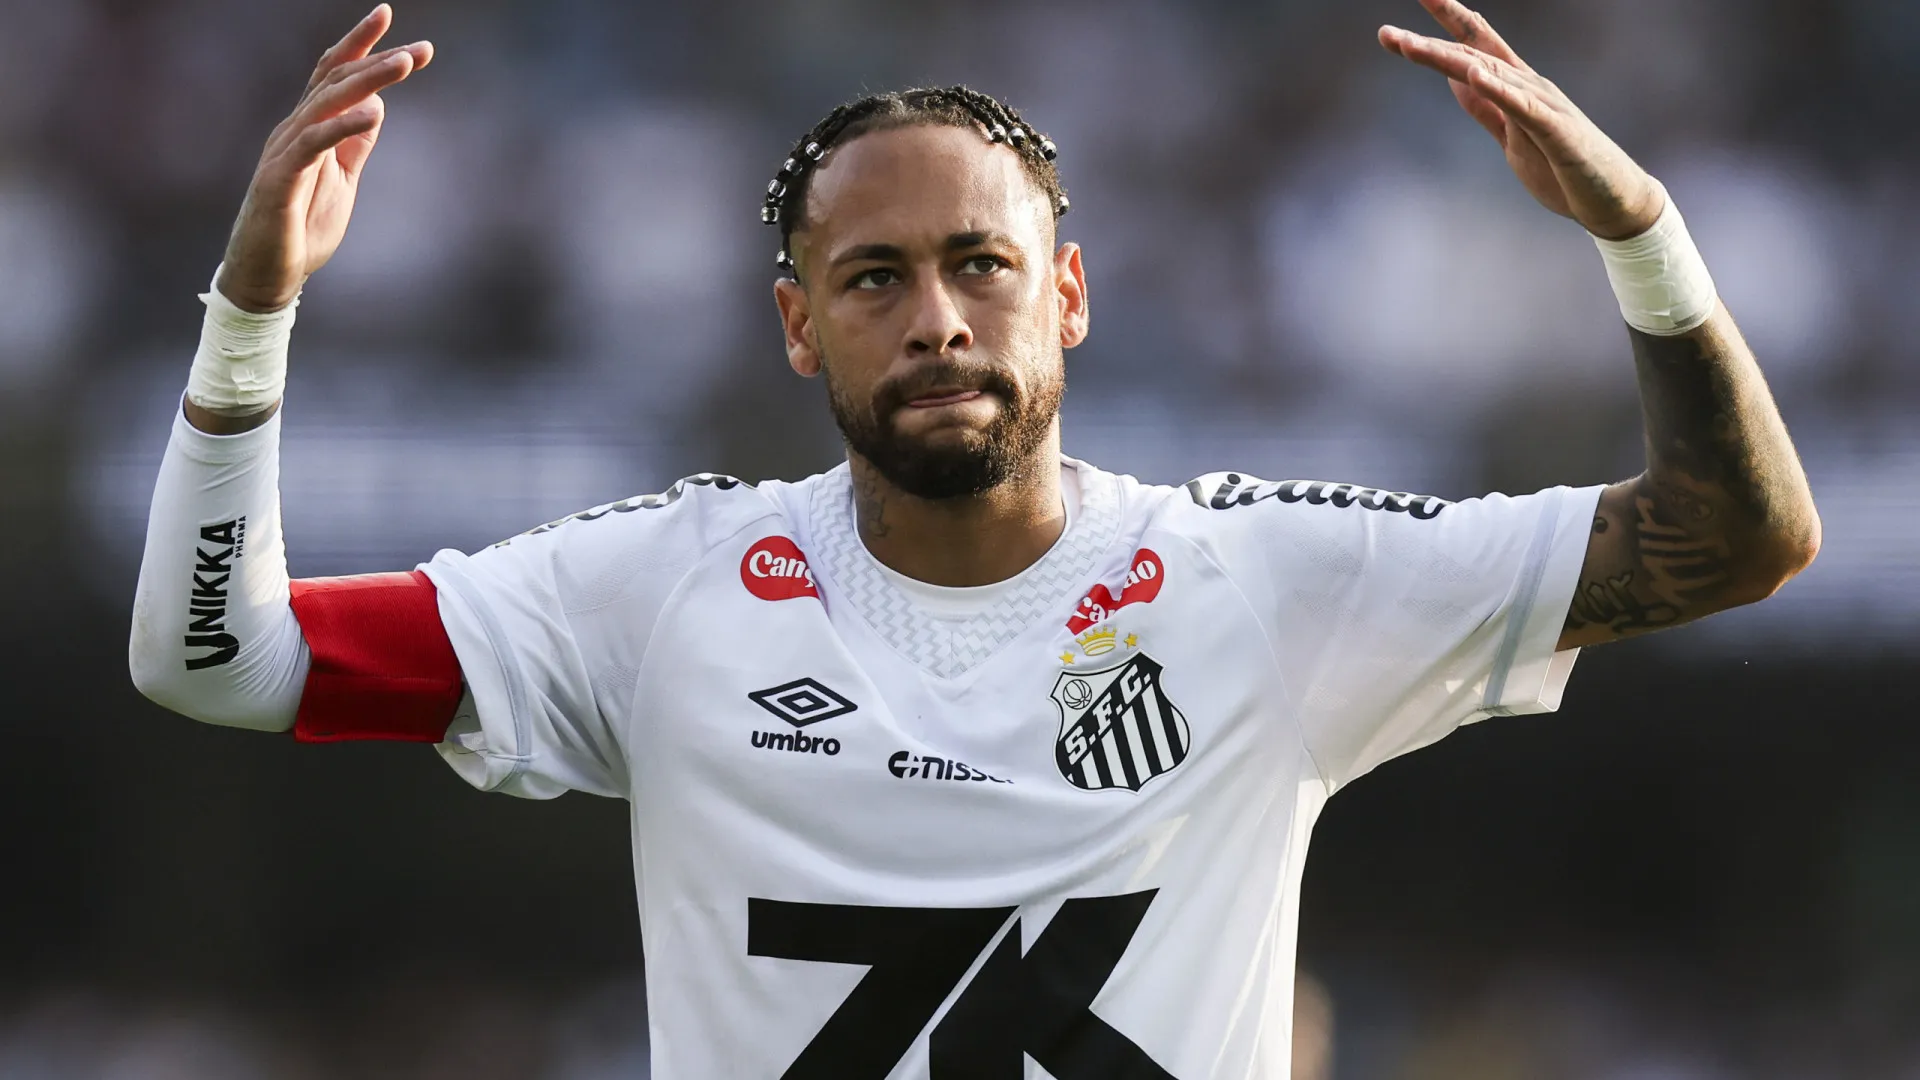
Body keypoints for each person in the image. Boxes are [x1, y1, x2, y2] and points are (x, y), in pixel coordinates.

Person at [127, 1, 1819, 1076]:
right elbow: (223, 661)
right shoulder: (661, 594)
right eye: (875, 279)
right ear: (800, 329)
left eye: (980, 265)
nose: (936, 316)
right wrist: (252, 316)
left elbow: (1738, 540)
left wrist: (1643, 237)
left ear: (1066, 294)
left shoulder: (1263, 584)